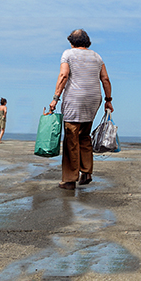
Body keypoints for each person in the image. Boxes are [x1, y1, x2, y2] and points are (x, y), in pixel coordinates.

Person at [49, 29, 113, 190]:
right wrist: (108, 100)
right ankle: (86, 172)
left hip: (74, 100)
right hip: (93, 100)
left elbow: (63, 76)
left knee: (71, 138)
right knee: (84, 136)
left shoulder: (68, 54)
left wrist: (55, 98)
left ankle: (70, 180)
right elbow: (105, 79)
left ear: (71, 42)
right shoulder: (97, 56)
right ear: (87, 41)